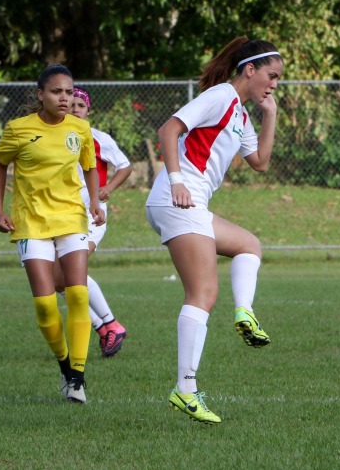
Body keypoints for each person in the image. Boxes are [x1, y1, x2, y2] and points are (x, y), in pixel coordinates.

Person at [145, 36, 283, 424]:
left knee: (248, 245)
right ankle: (185, 389)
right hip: (176, 200)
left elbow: (259, 162)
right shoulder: (221, 96)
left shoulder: (240, 113)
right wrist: (176, 180)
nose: (274, 84)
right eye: (270, 76)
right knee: (202, 293)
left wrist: (270, 114)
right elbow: (167, 130)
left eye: (278, 79)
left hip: (192, 205)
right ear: (249, 69)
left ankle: (245, 313)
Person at [0, 64, 105, 404]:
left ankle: (79, 378)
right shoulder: (19, 129)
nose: (64, 98)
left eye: (69, 92)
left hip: (71, 218)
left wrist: (95, 201)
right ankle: (65, 367)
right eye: (57, 92)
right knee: (44, 305)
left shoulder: (80, 129)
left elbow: (90, 167)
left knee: (78, 295)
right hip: (31, 223)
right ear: (41, 95)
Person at [53, 87, 133, 357]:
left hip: (90, 216)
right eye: (71, 104)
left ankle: (111, 324)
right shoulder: (57, 137)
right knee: (56, 279)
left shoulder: (98, 138)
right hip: (61, 215)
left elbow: (126, 165)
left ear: (88, 110)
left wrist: (109, 187)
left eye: (80, 105)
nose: (75, 109)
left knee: (70, 270)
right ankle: (104, 328)